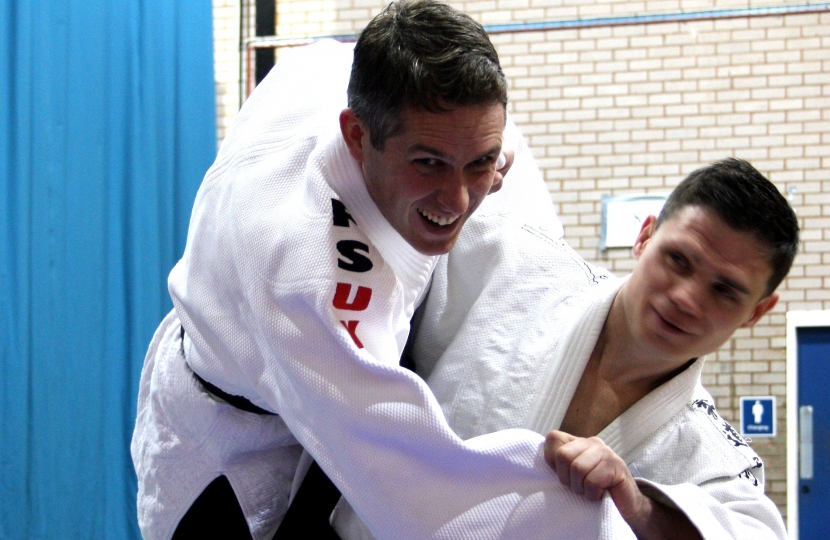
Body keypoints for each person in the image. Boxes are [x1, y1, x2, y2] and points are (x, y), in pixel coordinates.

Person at [132, 2, 639, 539]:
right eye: (429, 164)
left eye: (480, 163)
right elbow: (422, 491)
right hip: (228, 440)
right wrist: (594, 512)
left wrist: (486, 155)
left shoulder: (325, 72)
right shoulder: (314, 278)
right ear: (356, 136)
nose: (457, 198)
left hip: (292, 371)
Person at [407, 158, 796, 539]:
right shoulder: (508, 265)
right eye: (678, 260)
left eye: (725, 290)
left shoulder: (715, 461)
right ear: (645, 237)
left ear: (757, 312)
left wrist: (641, 510)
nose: (686, 298)